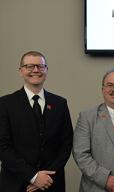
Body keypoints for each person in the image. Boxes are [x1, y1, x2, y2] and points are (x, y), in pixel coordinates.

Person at [0, 51, 73, 192]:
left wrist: (46, 176)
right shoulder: (5, 104)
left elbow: (66, 144)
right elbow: (3, 147)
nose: (35, 70)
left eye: (40, 66)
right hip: (16, 185)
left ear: (46, 70)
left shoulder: (60, 103)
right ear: (21, 71)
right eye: (29, 66)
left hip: (51, 183)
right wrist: (33, 177)